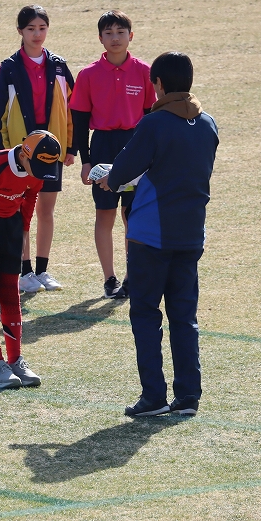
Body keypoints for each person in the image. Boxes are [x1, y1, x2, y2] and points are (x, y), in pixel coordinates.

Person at [96, 52, 218, 417]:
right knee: (184, 317)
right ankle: (188, 396)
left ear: (159, 84)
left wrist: (110, 178)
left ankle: (153, 397)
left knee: (146, 315)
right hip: (191, 232)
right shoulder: (208, 124)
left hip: (151, 235)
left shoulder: (154, 123)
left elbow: (124, 170)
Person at [0, 130, 61, 388]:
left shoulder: (38, 172)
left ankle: (15, 360)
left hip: (11, 230)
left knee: (11, 295)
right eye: (38, 166)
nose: (40, 174)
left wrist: (24, 231)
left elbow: (31, 197)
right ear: (25, 155)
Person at [71, 10, 156, 299]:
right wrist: (86, 161)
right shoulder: (88, 75)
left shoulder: (144, 71)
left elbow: (150, 118)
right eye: (109, 33)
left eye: (120, 32)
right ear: (100, 38)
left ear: (131, 36)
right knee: (105, 213)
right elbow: (79, 121)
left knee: (132, 215)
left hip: (135, 146)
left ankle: (132, 277)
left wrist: (150, 157)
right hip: (103, 146)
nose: (115, 38)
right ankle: (109, 278)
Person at [0, 5, 75, 293]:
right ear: (20, 31)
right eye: (30, 29)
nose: (37, 34)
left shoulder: (60, 66)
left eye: (42, 28)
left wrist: (71, 147)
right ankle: (24, 271)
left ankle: (42, 269)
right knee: (21, 212)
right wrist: (4, 153)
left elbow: (73, 109)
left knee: (46, 211)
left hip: (51, 153)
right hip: (22, 155)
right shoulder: (9, 67)